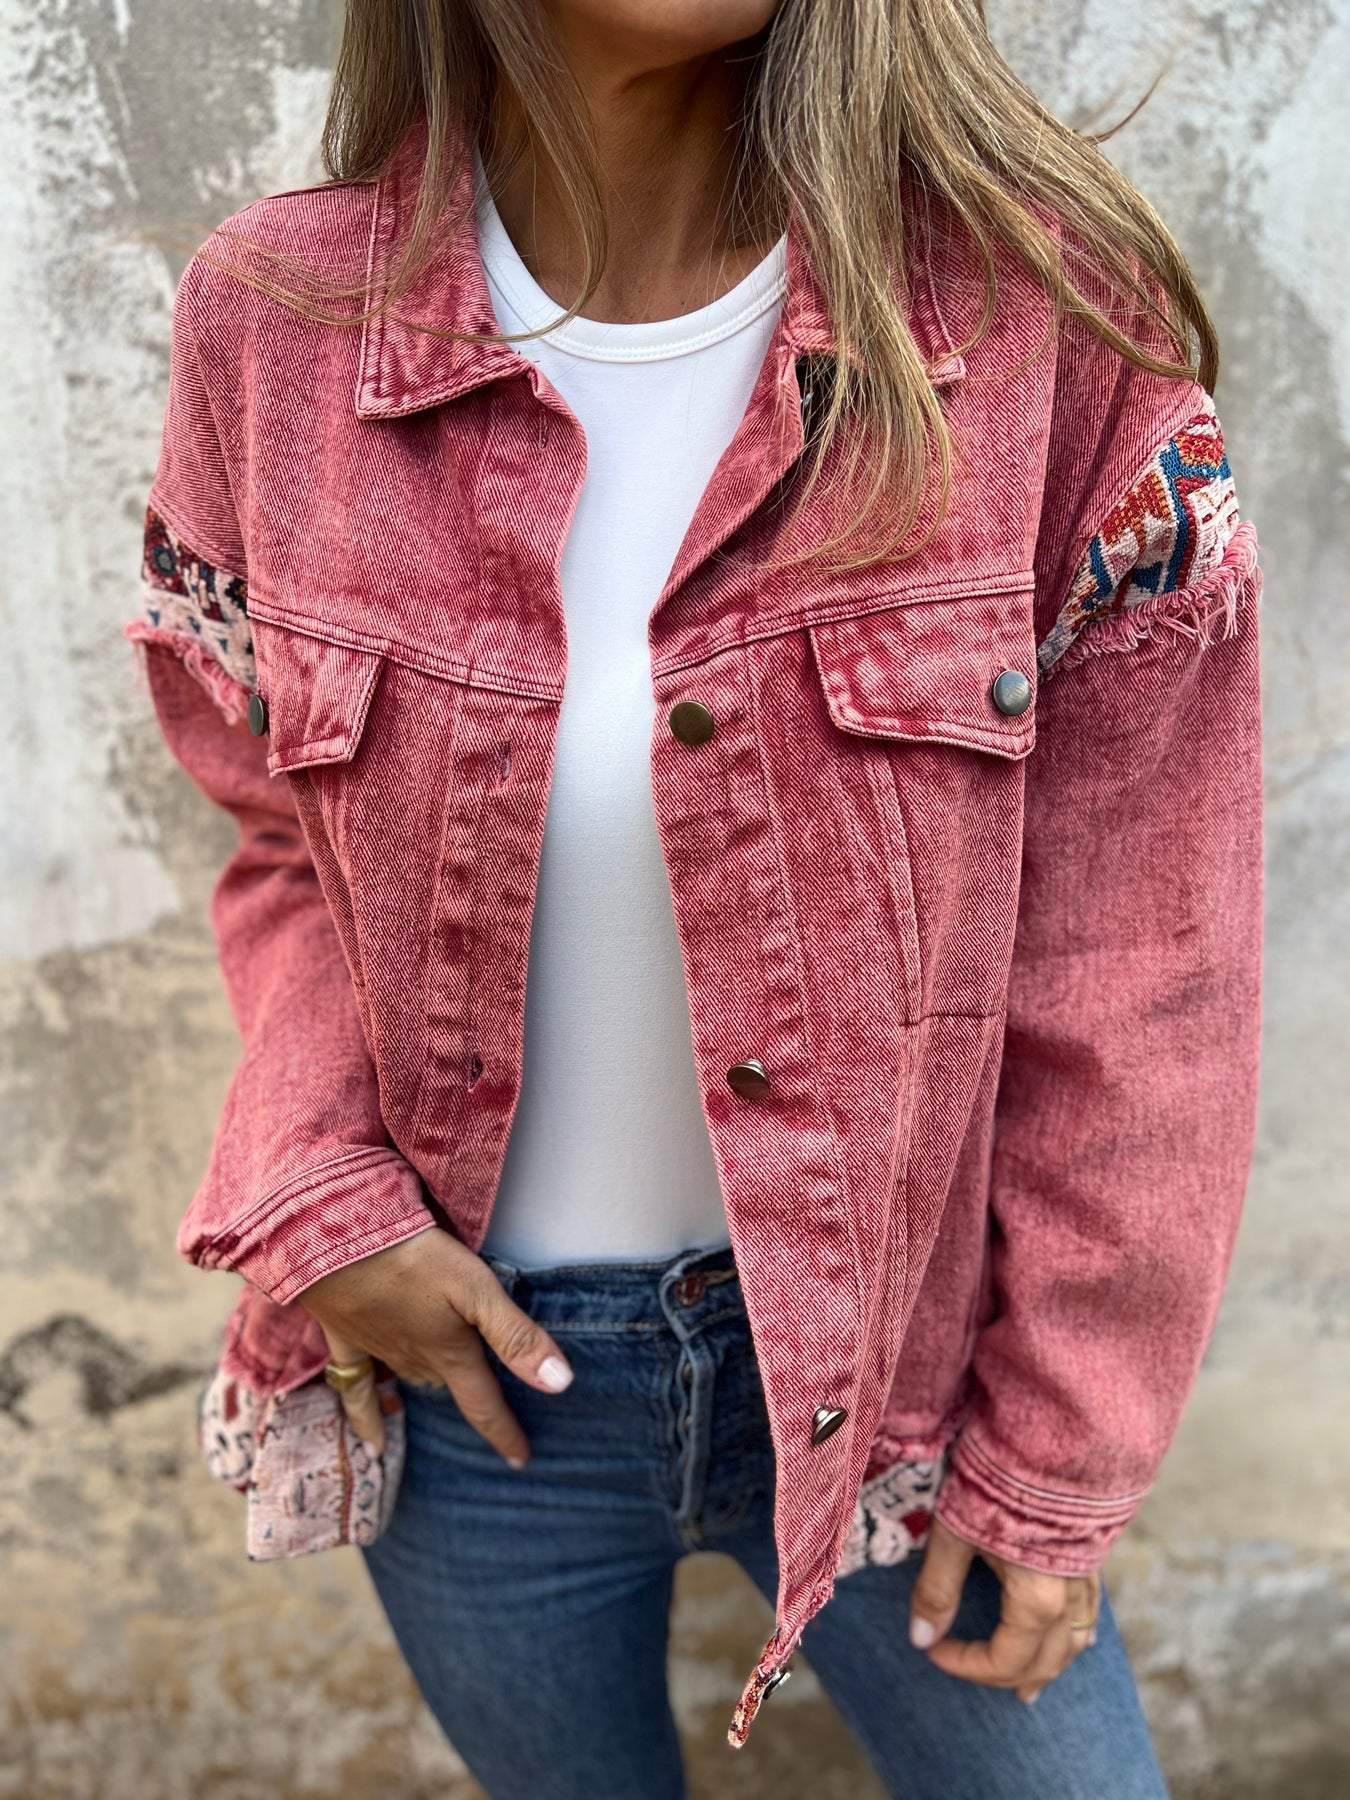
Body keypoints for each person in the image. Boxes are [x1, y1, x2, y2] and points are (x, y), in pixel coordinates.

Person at [126, 2, 1264, 1794]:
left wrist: (1061, 1451)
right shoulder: (275, 319)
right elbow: (281, 837)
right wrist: (315, 1193)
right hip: (468, 1372)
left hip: (900, 1385)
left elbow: (1143, 962)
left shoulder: (1037, 322)